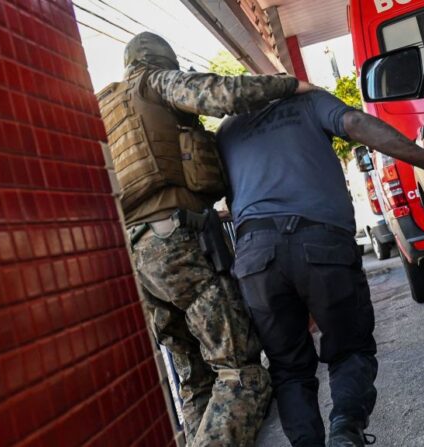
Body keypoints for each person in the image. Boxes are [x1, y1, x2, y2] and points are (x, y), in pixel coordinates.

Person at [97, 32, 319, 446]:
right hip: (179, 243)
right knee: (242, 375)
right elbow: (221, 94)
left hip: (137, 256)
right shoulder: (154, 82)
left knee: (196, 380)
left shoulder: (105, 108)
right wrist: (289, 84)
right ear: (160, 59)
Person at [216, 90, 424, 447]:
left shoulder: (227, 128)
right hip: (321, 241)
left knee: (289, 370)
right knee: (349, 349)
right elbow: (354, 122)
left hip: (255, 256)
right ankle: (345, 431)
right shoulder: (308, 102)